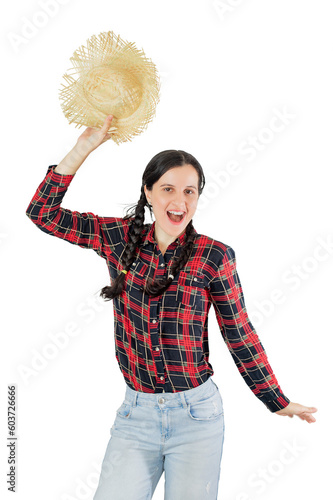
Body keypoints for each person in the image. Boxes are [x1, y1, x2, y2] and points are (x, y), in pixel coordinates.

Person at [25, 115, 317, 500]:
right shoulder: (117, 238)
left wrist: (275, 400)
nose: (179, 202)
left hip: (197, 418)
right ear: (148, 192)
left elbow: (239, 333)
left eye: (190, 192)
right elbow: (42, 213)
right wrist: (84, 148)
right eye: (168, 189)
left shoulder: (213, 256)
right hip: (136, 417)